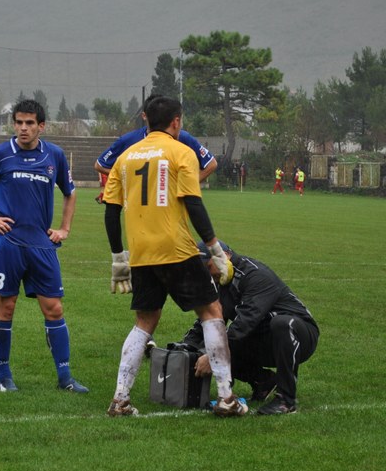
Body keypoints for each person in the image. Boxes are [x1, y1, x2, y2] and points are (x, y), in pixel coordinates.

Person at [102, 96, 247, 417]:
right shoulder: (181, 152)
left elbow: (111, 213)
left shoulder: (125, 158)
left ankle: (120, 399)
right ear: (176, 122)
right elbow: (193, 203)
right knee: (211, 311)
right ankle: (226, 397)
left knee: (144, 322)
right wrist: (214, 248)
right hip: (178, 249)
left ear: (146, 121)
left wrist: (118, 257)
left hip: (141, 254)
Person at [0, 99, 88, 394]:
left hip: (42, 246)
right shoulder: (0, 154)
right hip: (8, 245)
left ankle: (65, 378)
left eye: (30, 123)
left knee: (54, 309)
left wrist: (64, 229)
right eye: (18, 122)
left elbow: (70, 193)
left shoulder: (54, 155)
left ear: (41, 126)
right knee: (6, 307)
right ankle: (4, 376)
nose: (23, 128)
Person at [179, 242, 319, 415]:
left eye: (208, 267)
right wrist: (186, 347)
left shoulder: (256, 275)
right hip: (261, 337)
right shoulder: (218, 281)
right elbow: (209, 319)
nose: (206, 273)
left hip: (299, 335)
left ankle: (286, 400)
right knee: (218, 343)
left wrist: (214, 354)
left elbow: (246, 321)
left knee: (281, 324)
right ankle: (263, 381)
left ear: (224, 257)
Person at [94, 94, 217, 184]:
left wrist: (189, 185)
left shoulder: (182, 138)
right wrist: (130, 180)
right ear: (144, 116)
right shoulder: (129, 140)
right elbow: (100, 165)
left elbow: (211, 164)